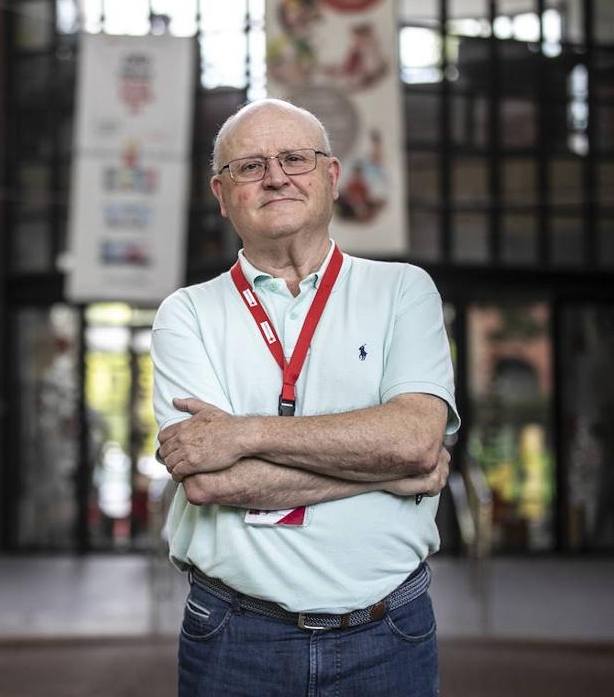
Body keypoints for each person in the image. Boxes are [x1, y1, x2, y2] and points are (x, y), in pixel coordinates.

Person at [152, 99, 458, 696]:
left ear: (331, 177)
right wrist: (385, 470)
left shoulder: (403, 291)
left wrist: (244, 434)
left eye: (295, 158)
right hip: (235, 636)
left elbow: (416, 441)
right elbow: (213, 483)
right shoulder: (185, 314)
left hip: (388, 632)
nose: (275, 176)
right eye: (250, 166)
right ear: (221, 193)